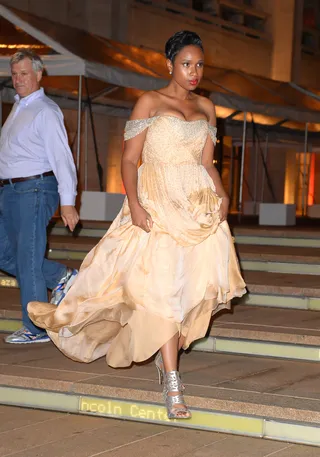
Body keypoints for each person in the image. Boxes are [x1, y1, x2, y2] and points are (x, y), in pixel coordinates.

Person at [28, 31, 246, 418]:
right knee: (161, 289)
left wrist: (223, 195)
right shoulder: (149, 101)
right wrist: (135, 203)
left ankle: (168, 360)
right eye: (186, 64)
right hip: (156, 201)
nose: (193, 72)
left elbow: (207, 163)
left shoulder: (208, 108)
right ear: (169, 65)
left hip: (195, 204)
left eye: (199, 65)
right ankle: (174, 384)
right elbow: (130, 160)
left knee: (188, 289)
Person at [0, 49, 79, 344]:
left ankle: (36, 328)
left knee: (28, 258)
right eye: (15, 74)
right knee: (5, 252)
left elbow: (62, 158)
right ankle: (61, 276)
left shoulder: (45, 110)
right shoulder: (19, 107)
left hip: (34, 189)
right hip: (10, 190)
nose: (18, 79)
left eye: (24, 74)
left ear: (38, 74)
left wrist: (68, 202)